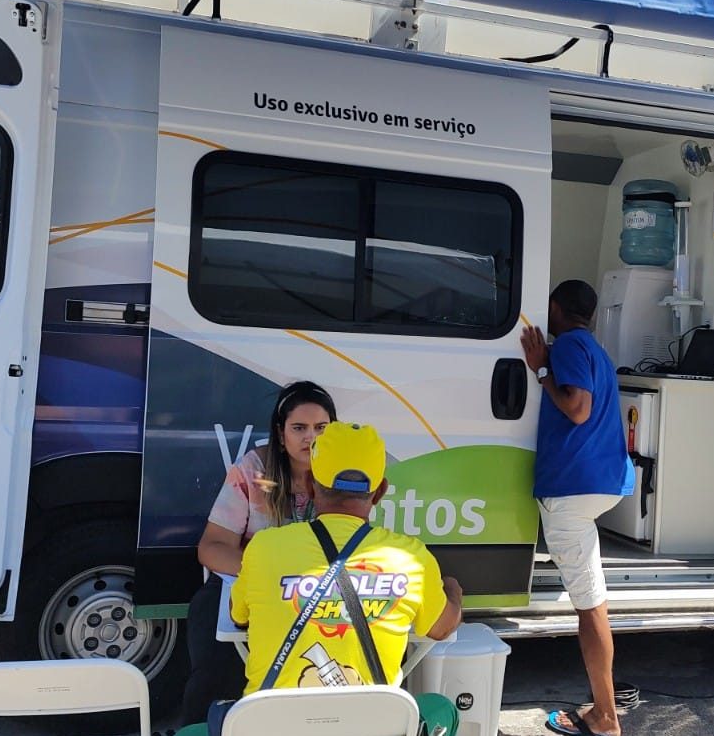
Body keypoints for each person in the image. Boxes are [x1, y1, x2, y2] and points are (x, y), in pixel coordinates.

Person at [223, 422, 463, 731]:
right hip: (372, 727)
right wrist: (453, 590)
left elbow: (237, 615)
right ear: (380, 492)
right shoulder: (412, 557)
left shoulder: (264, 547)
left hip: (272, 726)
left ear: (310, 485)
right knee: (442, 709)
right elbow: (441, 628)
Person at [179, 381, 337, 726]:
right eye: (299, 428)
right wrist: (266, 573)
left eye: (321, 429)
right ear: (281, 434)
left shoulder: (343, 474)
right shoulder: (253, 471)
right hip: (250, 589)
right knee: (214, 666)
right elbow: (212, 547)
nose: (311, 438)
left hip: (320, 594)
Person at [520, 280, 634, 736]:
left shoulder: (566, 345)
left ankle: (605, 717)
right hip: (602, 482)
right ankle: (601, 710)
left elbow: (578, 408)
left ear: (555, 307)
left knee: (590, 607)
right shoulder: (594, 349)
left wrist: (540, 369)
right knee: (593, 601)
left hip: (571, 487)